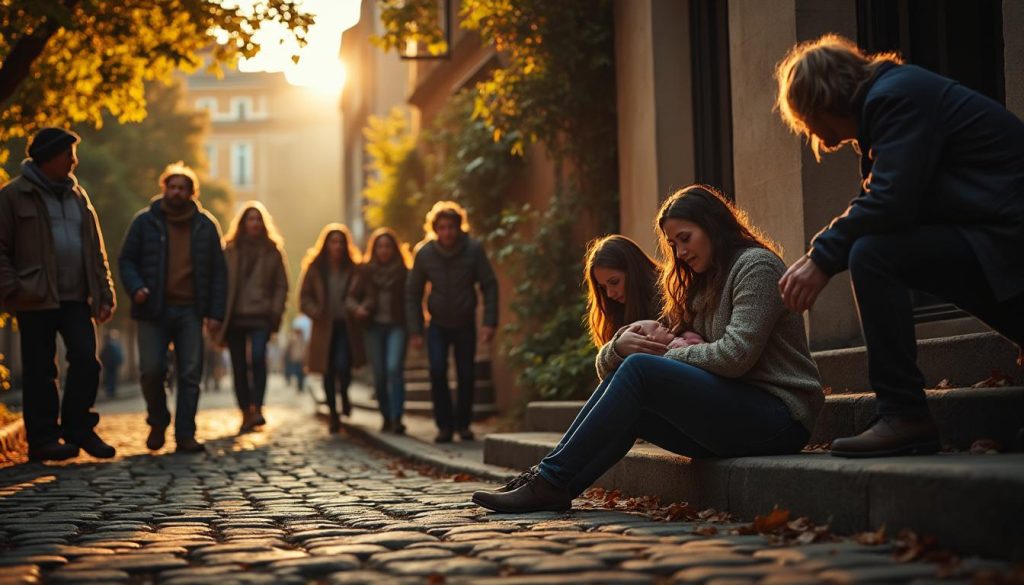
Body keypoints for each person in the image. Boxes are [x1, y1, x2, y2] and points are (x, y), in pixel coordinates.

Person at [472, 185, 824, 513]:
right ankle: (552, 483)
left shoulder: (756, 267)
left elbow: (734, 356)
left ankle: (548, 480)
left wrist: (663, 354)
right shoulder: (699, 283)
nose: (680, 252)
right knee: (636, 391)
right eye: (673, 244)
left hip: (779, 418)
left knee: (642, 369)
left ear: (713, 226)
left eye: (685, 239)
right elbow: (622, 372)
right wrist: (617, 348)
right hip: (734, 411)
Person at [774, 34, 1024, 458]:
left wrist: (821, 257)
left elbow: (890, 201)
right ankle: (903, 414)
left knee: (873, 254)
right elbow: (895, 202)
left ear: (821, 101)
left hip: (1006, 234)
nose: (813, 135)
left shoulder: (897, 98)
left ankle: (904, 414)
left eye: (806, 120)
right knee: (877, 248)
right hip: (997, 234)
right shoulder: (893, 101)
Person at [0, 128, 117, 461]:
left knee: (86, 361)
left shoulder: (78, 195)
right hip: (34, 294)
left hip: (77, 297)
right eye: (68, 154)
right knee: (40, 370)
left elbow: (96, 249)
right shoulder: (13, 195)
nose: (74, 161)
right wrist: (12, 287)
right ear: (49, 157)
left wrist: (105, 292)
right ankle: (43, 439)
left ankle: (79, 427)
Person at [119, 161, 227, 454]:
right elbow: (126, 259)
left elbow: (219, 272)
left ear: (192, 193)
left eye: (183, 188)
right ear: (164, 188)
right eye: (172, 186)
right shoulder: (144, 221)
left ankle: (185, 434)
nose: (177, 192)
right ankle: (158, 419)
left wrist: (216, 314)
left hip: (191, 310)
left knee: (190, 373)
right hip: (153, 309)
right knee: (151, 370)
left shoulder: (206, 225)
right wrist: (136, 286)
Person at [407, 201, 498, 443]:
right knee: (437, 371)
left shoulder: (473, 249)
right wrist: (415, 330)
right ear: (435, 229)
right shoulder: (424, 253)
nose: (447, 232)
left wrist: (489, 322)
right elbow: (413, 293)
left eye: (451, 227)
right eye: (442, 227)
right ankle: (444, 426)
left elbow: (489, 285)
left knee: (466, 374)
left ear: (459, 228)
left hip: (464, 322)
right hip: (436, 324)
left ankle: (464, 425)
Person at [217, 202, 288, 434]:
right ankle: (245, 411)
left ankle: (258, 407)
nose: (254, 223)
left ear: (263, 223)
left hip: (261, 316)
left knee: (258, 358)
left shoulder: (273, 251)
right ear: (243, 223)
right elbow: (219, 281)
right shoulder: (230, 249)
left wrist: (275, 311)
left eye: (258, 219)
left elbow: (281, 285)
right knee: (238, 366)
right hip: (235, 317)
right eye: (250, 219)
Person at [299, 224, 365, 434]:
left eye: (340, 242)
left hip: (346, 325)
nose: (336, 246)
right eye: (333, 242)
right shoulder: (315, 268)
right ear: (326, 244)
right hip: (324, 327)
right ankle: (333, 415)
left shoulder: (354, 268)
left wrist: (358, 309)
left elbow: (363, 293)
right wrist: (315, 311)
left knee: (344, 365)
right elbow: (304, 297)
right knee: (327, 370)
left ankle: (344, 394)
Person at [348, 227, 411, 434]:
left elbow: (412, 301)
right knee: (380, 374)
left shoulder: (403, 272)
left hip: (397, 327)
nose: (384, 250)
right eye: (380, 246)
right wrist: (358, 308)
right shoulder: (365, 271)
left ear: (394, 249)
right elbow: (350, 298)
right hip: (373, 328)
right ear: (374, 249)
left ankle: (397, 417)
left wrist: (417, 329)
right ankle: (385, 415)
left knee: (394, 369)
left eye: (388, 246)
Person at [584, 235, 663, 378]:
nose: (609, 294)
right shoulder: (618, 311)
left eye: (614, 282)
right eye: (602, 287)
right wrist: (616, 349)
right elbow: (607, 377)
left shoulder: (671, 297)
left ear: (634, 271)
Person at [99, 329, 125, 398]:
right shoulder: (113, 345)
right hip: (111, 364)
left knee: (111, 377)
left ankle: (111, 391)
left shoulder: (111, 345)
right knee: (111, 377)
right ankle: (111, 391)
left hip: (111, 364)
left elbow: (103, 355)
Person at [284, 327, 307, 392]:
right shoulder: (293, 338)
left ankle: (300, 386)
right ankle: (299, 385)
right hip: (295, 358)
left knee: (300, 373)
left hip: (299, 358)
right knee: (297, 372)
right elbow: (288, 348)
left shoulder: (301, 339)